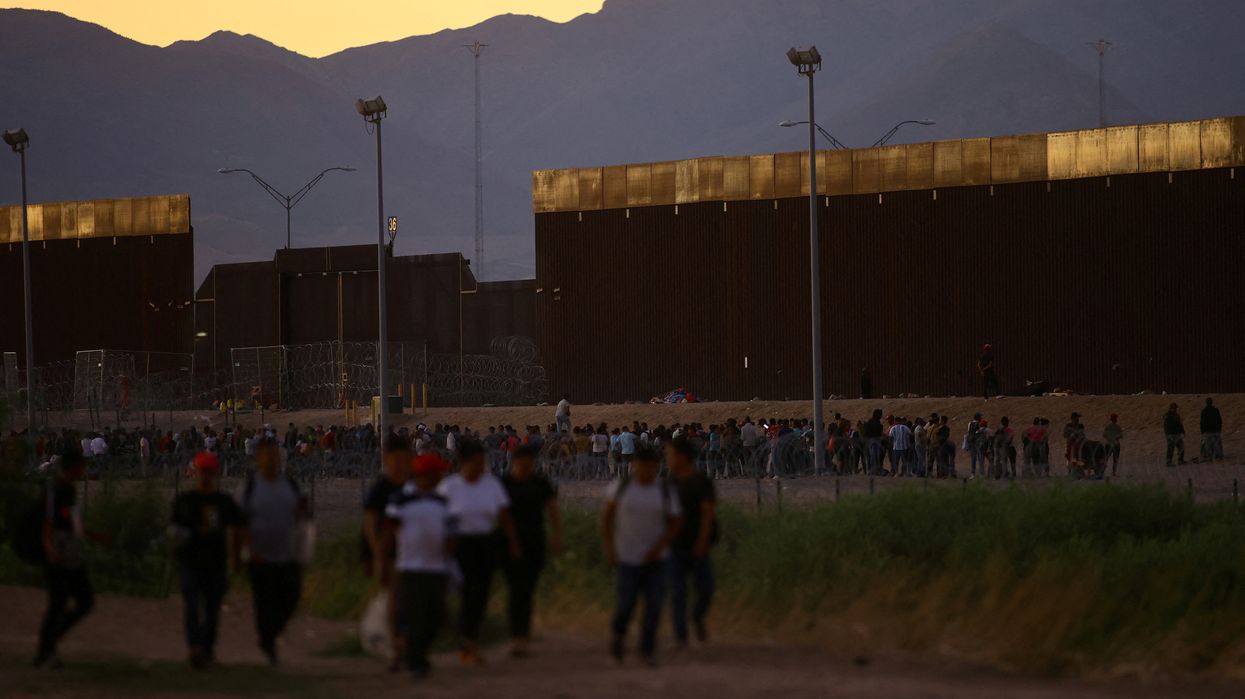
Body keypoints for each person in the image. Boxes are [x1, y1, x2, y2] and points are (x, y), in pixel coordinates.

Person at [437, 437, 521, 665]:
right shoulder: (449, 488)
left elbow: (505, 517)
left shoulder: (491, 484)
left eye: (481, 460)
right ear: (464, 461)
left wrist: (513, 543)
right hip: (458, 546)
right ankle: (464, 640)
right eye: (476, 461)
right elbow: (438, 520)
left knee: (480, 594)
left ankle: (468, 640)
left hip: (486, 544)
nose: (481, 465)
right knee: (465, 594)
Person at [602, 445, 682, 666]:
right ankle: (618, 638)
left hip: (657, 559)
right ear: (633, 466)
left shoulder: (664, 490)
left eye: (650, 467)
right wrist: (610, 548)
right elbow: (607, 519)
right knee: (626, 604)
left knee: (654, 605)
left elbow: (675, 523)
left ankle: (647, 649)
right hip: (627, 557)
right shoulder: (621, 487)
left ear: (656, 467)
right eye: (641, 466)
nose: (645, 471)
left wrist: (659, 547)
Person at [238, 437, 310, 665]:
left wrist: (303, 548)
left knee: (291, 598)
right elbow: (240, 523)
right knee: (264, 603)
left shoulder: (290, 485)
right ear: (257, 458)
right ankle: (267, 641)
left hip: (287, 555)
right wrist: (245, 550)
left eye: (275, 455)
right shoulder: (249, 488)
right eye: (267, 455)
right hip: (259, 557)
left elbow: (302, 516)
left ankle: (270, 635)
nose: (272, 460)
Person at [384, 453, 456, 679]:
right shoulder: (400, 500)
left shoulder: (442, 501)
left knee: (436, 615)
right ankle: (417, 661)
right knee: (416, 615)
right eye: (438, 473)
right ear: (427, 475)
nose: (441, 476)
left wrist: (449, 559)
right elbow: (388, 534)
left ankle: (416, 654)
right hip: (410, 568)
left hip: (436, 568)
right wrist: (386, 563)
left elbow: (451, 535)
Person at [171, 451, 243, 669]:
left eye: (209, 471)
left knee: (212, 608)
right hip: (190, 561)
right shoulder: (184, 501)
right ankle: (195, 648)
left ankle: (207, 650)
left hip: (215, 561)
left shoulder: (223, 501)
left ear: (215, 473)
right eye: (202, 471)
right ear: (195, 472)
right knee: (192, 605)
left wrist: (235, 557)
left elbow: (235, 528)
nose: (205, 476)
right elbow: (174, 531)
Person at [33, 450, 95, 670]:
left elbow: (73, 524)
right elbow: (48, 524)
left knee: (83, 601)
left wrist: (93, 536)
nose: (83, 471)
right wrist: (50, 551)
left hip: (70, 552)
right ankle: (45, 650)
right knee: (58, 603)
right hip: (57, 553)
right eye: (80, 467)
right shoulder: (56, 490)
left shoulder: (69, 490)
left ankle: (49, 643)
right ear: (73, 467)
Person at [502, 444, 563, 657]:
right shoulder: (504, 483)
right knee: (516, 589)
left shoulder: (540, 483)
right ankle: (517, 636)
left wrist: (557, 535)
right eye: (522, 465)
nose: (525, 469)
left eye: (529, 465)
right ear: (514, 463)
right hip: (509, 543)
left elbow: (553, 509)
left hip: (535, 542)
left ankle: (522, 635)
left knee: (527, 589)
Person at [666, 437, 716, 648]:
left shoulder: (700, 481)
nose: (668, 460)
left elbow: (707, 513)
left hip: (697, 544)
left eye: (671, 455)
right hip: (674, 546)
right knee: (678, 593)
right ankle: (681, 636)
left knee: (706, 589)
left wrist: (703, 540)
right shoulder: (670, 483)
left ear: (682, 456)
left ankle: (696, 616)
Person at [1200, 397, 1224, 462]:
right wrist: (1219, 428)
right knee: (1217, 444)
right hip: (1215, 430)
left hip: (1207, 431)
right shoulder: (1215, 410)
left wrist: (1202, 431)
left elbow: (1202, 422)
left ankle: (1209, 456)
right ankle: (1218, 456)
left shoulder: (1204, 411)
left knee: (1208, 445)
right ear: (1211, 402)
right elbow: (1219, 420)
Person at [1163, 403, 1186, 468]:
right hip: (1171, 434)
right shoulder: (1168, 416)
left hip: (1176, 434)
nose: (1176, 409)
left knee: (1181, 446)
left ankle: (1180, 460)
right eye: (1175, 408)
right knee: (1171, 448)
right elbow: (1167, 426)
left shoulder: (1176, 415)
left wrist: (1182, 431)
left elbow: (1180, 424)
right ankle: (1169, 462)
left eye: (1176, 408)